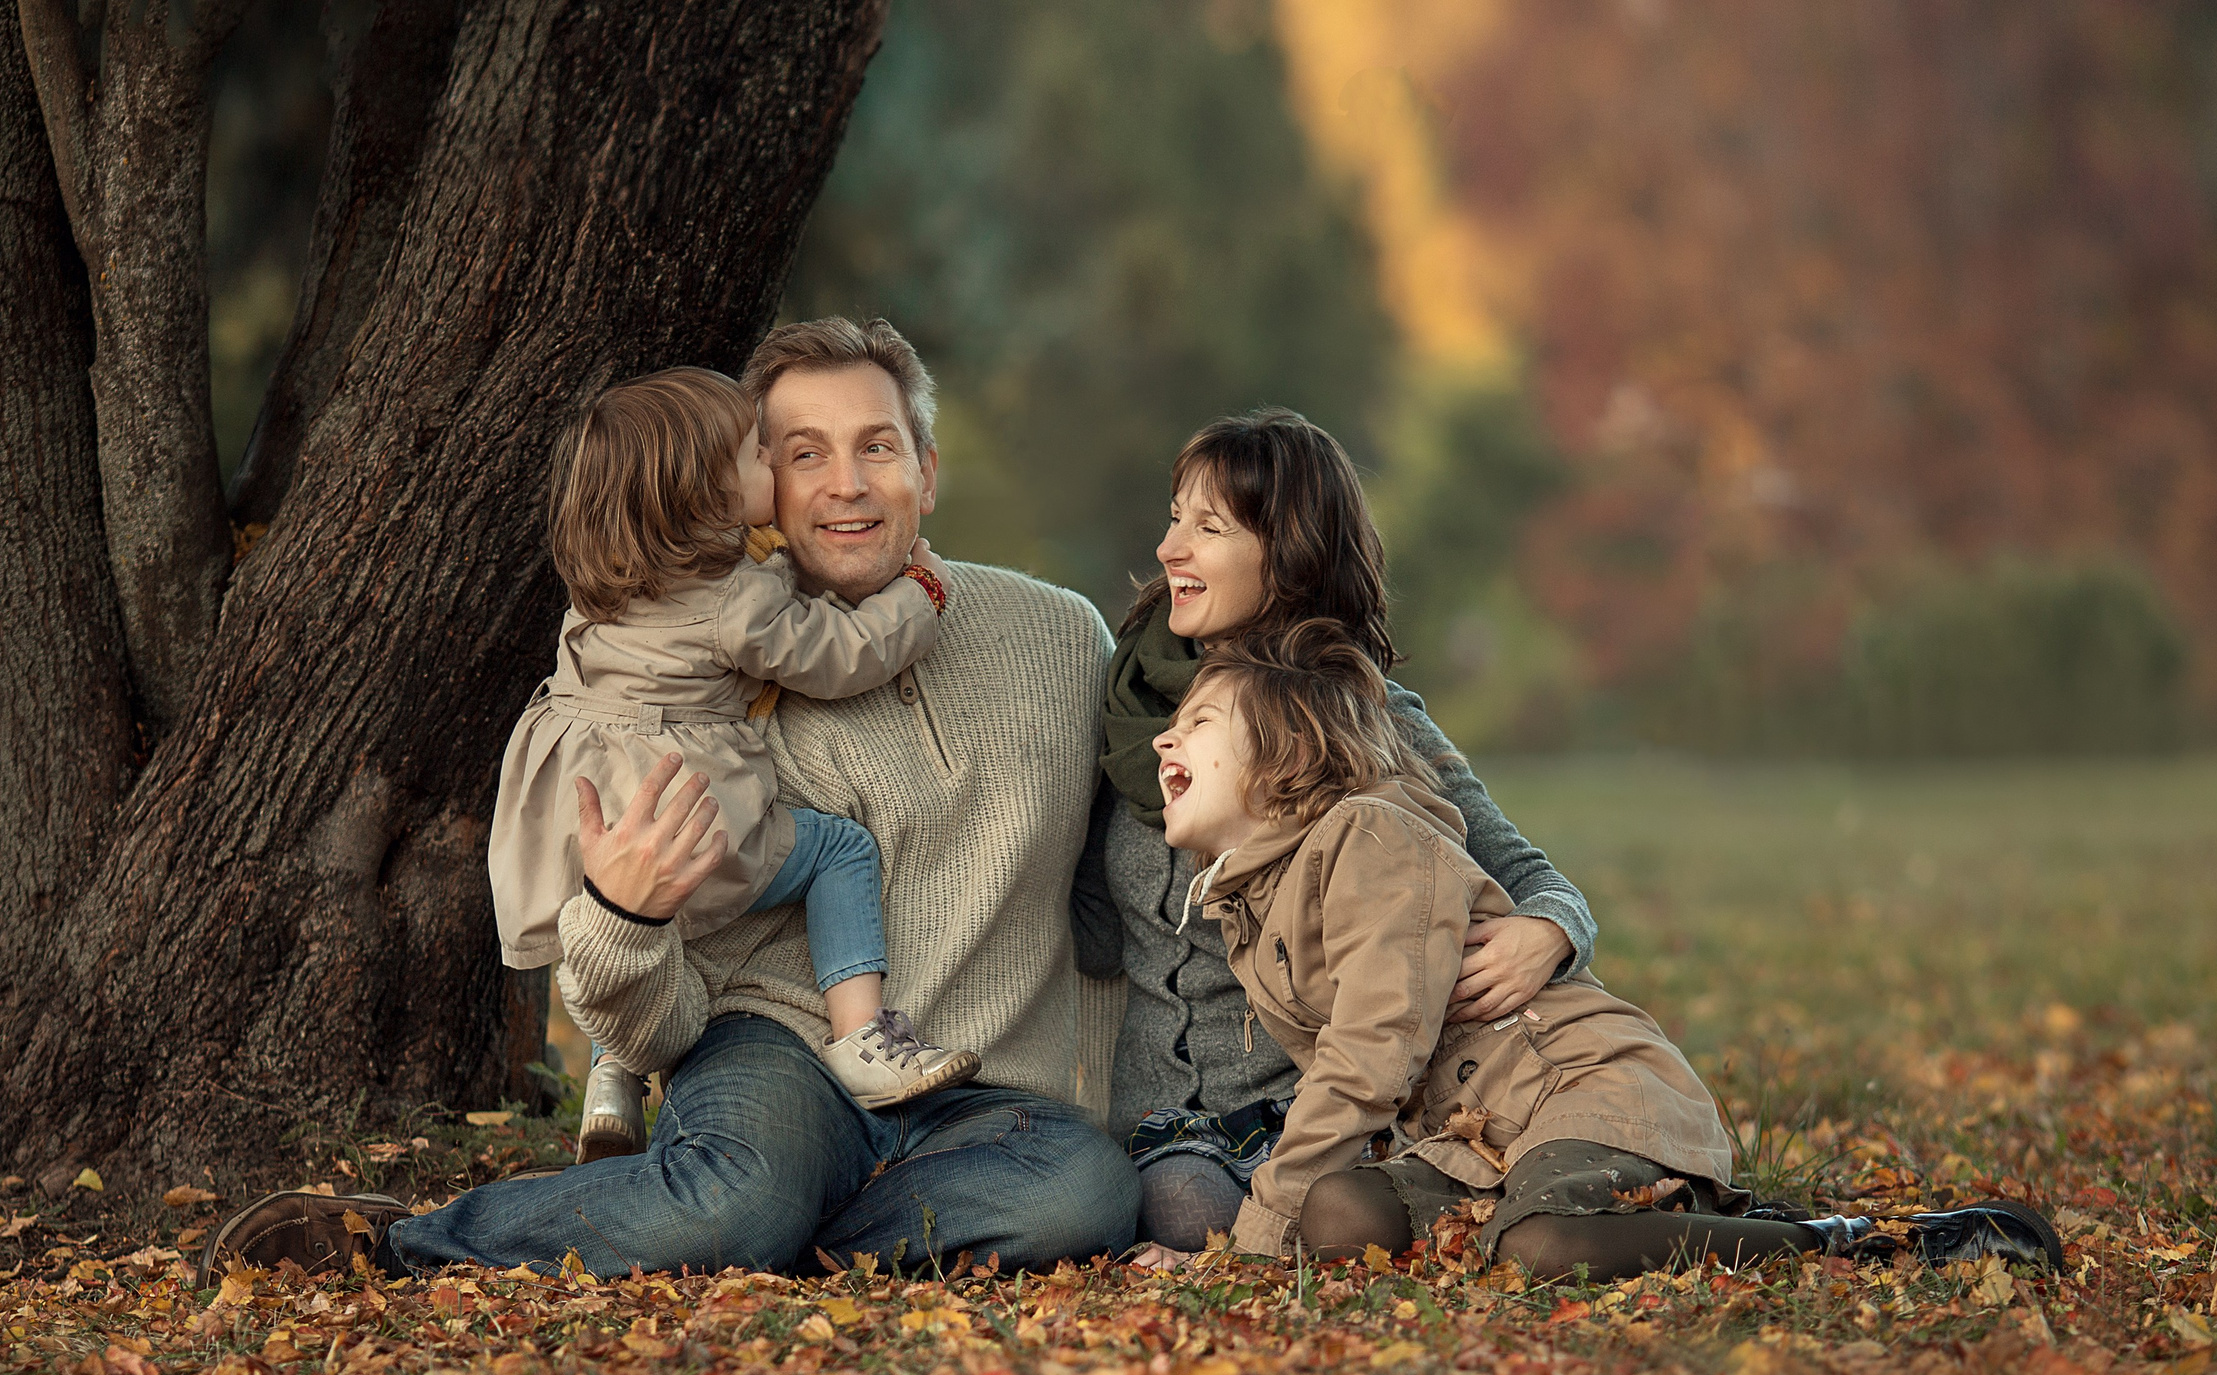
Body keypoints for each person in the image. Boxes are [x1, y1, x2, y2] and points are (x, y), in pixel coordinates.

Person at [200, 318, 1140, 1285]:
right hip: (781, 1060)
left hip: (978, 1095)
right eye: (803, 453)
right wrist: (620, 918)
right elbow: (657, 1030)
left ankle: (745, 1227)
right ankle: (399, 1245)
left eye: (877, 447)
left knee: (1087, 1191)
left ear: (927, 473)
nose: (847, 484)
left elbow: (1131, 884)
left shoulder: (1061, 638)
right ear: (755, 488)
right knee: (747, 1191)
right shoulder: (702, 693)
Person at [1148, 621, 2065, 1279]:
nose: (1164, 737)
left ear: (1285, 757)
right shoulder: (1252, 900)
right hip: (1473, 1142)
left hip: (1582, 1093)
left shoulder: (1371, 840)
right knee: (1340, 1212)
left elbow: (1367, 1056)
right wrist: (1290, 1217)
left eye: (1197, 723)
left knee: (1547, 1248)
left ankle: (1848, 1242)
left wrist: (1247, 1243)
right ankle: (1539, 1224)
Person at [1076, 407, 1599, 1250]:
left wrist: (1552, 931)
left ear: (1288, 556)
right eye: (1176, 517)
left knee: (1248, 1212)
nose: (1171, 548)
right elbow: (1082, 921)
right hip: (1161, 1120)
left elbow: (1530, 874)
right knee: (1182, 1205)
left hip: (1318, 1106)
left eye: (1208, 528)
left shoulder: (1364, 718)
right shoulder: (1125, 710)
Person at [488, 366, 976, 1163]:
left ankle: (613, 1077)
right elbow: (841, 653)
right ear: (707, 497)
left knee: (653, 934)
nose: (775, 469)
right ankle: (862, 1038)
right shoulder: (735, 604)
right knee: (839, 849)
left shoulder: (603, 588)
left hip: (588, 823)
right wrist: (918, 592)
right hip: (696, 820)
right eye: (761, 455)